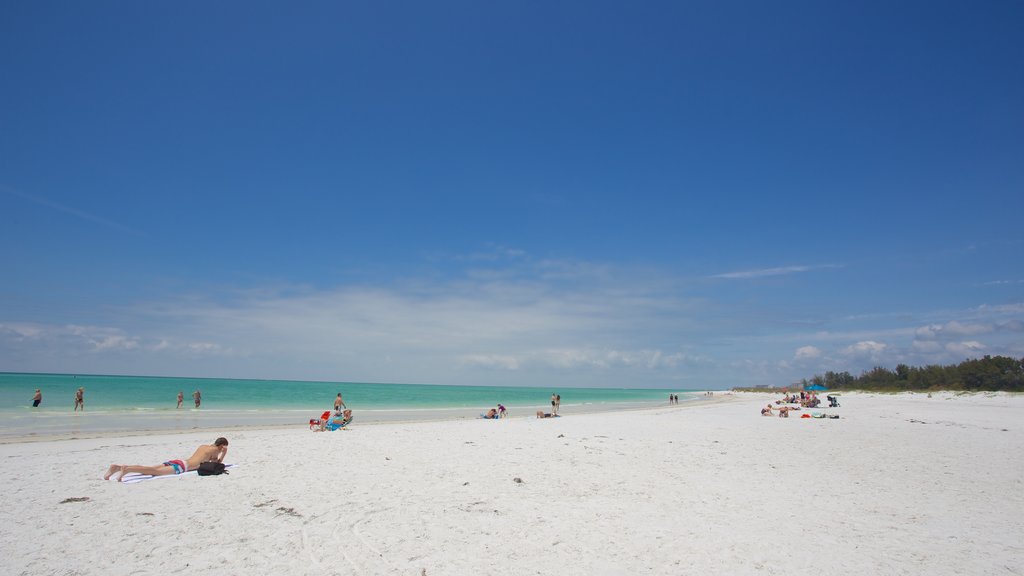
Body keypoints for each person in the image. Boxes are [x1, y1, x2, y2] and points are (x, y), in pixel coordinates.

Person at [103, 437, 229, 482]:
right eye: (225, 447)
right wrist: (223, 454)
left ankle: (117, 468)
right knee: (154, 471)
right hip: (183, 467)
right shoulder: (214, 451)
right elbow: (216, 464)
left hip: (179, 461)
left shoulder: (203, 446)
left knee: (152, 468)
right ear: (222, 445)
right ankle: (127, 469)